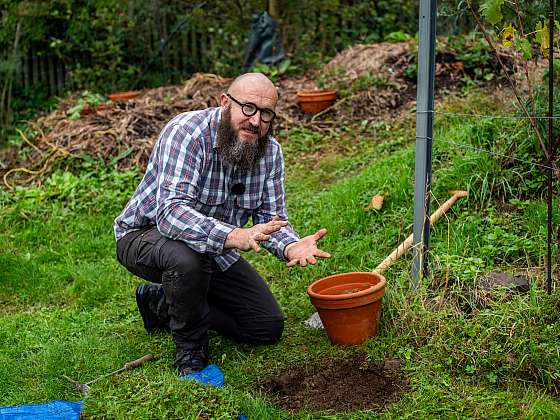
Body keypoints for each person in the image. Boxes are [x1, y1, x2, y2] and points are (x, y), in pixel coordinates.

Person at [114, 73, 330, 376]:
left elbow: (270, 219)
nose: (256, 121)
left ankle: (162, 301)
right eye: (249, 108)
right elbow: (171, 212)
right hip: (146, 235)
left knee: (265, 325)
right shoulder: (186, 133)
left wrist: (291, 245)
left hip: (214, 249)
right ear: (225, 103)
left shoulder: (270, 153)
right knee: (186, 260)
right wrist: (234, 234)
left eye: (266, 114)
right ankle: (190, 351)